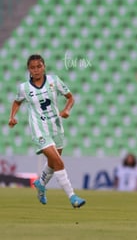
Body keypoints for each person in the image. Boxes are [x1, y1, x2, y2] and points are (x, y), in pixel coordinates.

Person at [8, 55, 85, 208]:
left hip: (56, 126)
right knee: (58, 162)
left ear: (44, 66)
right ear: (28, 69)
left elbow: (70, 98)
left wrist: (67, 110)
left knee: (52, 162)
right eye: (32, 67)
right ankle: (72, 196)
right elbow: (17, 102)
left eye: (39, 66)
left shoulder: (54, 81)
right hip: (39, 130)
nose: (36, 70)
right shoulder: (24, 88)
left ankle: (41, 184)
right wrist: (12, 117)